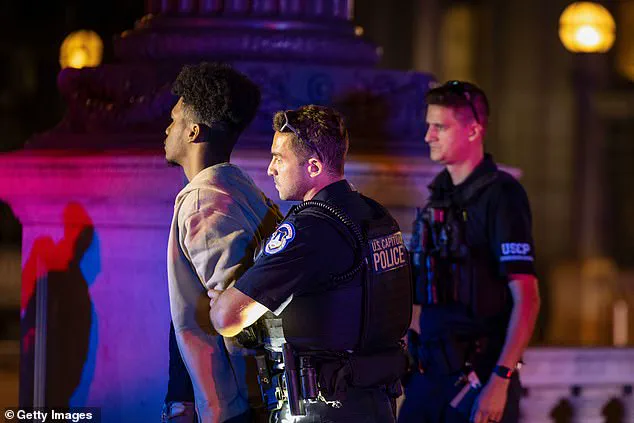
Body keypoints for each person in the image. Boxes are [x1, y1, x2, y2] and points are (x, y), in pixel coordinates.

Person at [207, 105, 413, 423]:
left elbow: (226, 318)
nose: (271, 169)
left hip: (325, 408)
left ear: (313, 166)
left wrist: (224, 299)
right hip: (377, 402)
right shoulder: (375, 215)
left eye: (279, 158)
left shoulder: (311, 229)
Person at [397, 80, 541, 423]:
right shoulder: (439, 197)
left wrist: (500, 380)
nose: (428, 136)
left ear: (474, 130)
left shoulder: (502, 196)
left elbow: (528, 298)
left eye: (440, 127)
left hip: (478, 379)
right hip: (428, 377)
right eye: (429, 125)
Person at [163, 62, 282, 423]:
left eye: (174, 120)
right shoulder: (242, 189)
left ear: (193, 131)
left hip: (237, 406)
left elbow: (240, 318)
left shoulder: (204, 201)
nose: (167, 129)